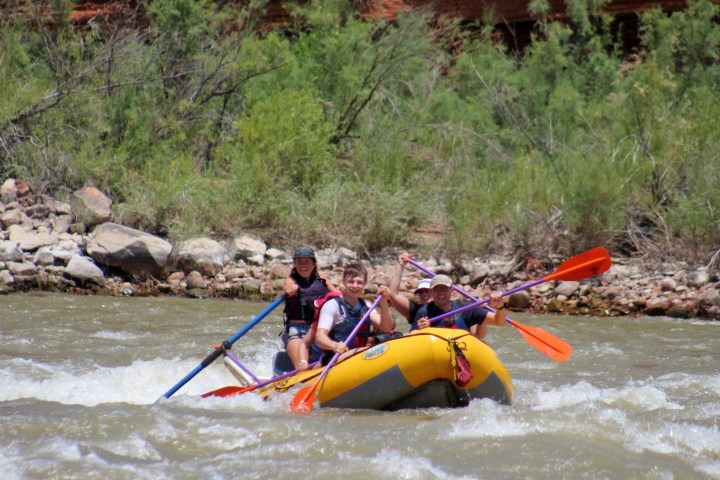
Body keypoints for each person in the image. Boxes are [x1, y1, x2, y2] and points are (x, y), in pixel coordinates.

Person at [315, 262, 394, 364]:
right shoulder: (332, 305)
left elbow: (386, 328)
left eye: (359, 282)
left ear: (365, 283)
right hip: (336, 358)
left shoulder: (366, 305)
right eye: (351, 282)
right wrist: (334, 345)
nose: (355, 286)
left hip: (360, 356)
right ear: (343, 282)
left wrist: (383, 302)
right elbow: (319, 337)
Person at [282, 247, 337, 371]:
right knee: (303, 368)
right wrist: (289, 292)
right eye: (299, 262)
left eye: (307, 262)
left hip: (318, 329)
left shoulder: (322, 280)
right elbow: (286, 287)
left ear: (314, 264)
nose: (303, 265)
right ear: (295, 264)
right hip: (296, 331)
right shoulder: (290, 281)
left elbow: (338, 296)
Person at [411, 274, 506, 340]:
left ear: (451, 290)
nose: (441, 293)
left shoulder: (465, 308)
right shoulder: (424, 312)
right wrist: (420, 331)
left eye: (445, 288)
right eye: (437, 289)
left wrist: (500, 307)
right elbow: (411, 335)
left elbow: (498, 322)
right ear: (431, 291)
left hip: (463, 354)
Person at [388, 251, 432, 324]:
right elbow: (393, 294)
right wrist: (401, 265)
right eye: (420, 292)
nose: (423, 294)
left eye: (427, 291)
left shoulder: (449, 308)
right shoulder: (415, 310)